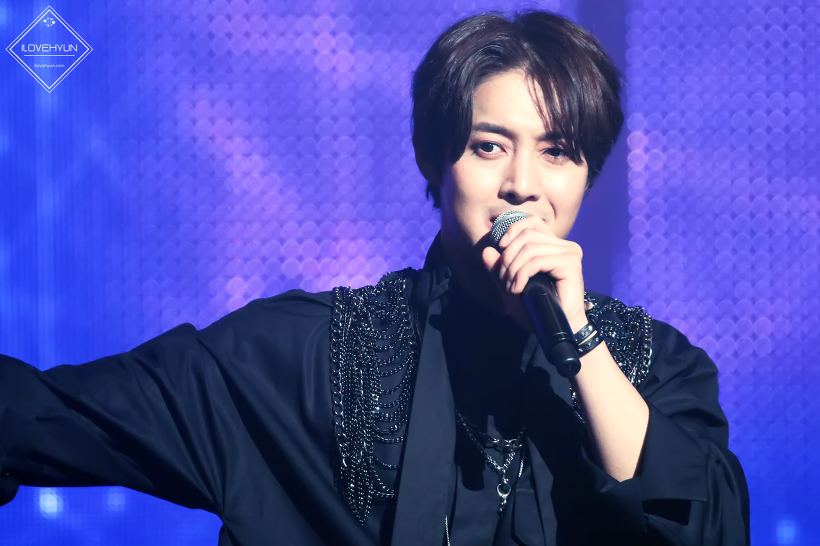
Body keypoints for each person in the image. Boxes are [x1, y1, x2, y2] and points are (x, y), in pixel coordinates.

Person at [0, 10, 749, 546]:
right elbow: (54, 417)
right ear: (433, 158)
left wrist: (581, 346)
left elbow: (709, 526)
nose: (523, 184)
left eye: (557, 152)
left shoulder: (653, 363)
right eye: (489, 147)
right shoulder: (310, 353)